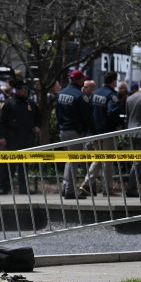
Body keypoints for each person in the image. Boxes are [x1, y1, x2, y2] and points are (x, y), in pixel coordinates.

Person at [78, 72, 123, 197]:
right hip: (107, 131)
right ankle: (107, 189)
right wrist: (119, 123)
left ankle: (87, 184)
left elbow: (89, 112)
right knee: (107, 160)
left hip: (95, 132)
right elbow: (112, 112)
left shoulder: (95, 93)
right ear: (113, 81)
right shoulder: (111, 95)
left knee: (99, 158)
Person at [0, 79, 40, 194]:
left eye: (25, 89)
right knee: (10, 165)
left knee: (24, 165)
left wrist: (36, 126)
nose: (24, 91)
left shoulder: (30, 103)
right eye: (22, 89)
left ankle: (24, 188)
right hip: (12, 138)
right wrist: (2, 136)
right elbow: (1, 121)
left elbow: (38, 118)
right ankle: (4, 188)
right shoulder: (9, 104)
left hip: (27, 138)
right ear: (17, 90)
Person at [56, 69, 92, 199]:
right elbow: (86, 116)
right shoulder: (79, 95)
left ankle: (66, 188)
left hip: (63, 130)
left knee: (69, 160)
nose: (84, 81)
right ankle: (70, 190)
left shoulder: (61, 93)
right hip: (75, 131)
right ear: (78, 80)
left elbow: (57, 113)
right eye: (83, 79)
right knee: (74, 160)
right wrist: (86, 130)